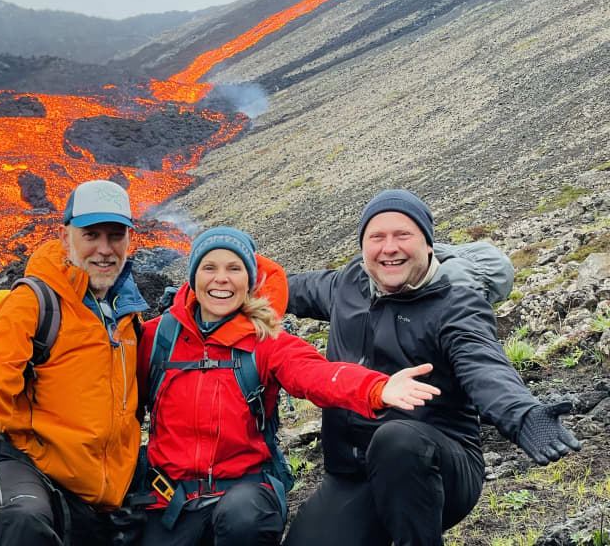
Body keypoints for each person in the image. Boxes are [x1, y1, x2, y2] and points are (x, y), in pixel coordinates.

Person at [283, 189, 582, 546]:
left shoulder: (455, 304)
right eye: (376, 237)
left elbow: (483, 365)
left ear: (427, 244)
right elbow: (285, 289)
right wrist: (220, 286)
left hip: (438, 465)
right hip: (351, 474)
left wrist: (522, 414)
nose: (389, 248)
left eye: (403, 235)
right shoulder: (347, 284)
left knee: (398, 440)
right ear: (363, 247)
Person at [136, 226, 442, 546]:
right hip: (168, 502)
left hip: (245, 496)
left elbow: (314, 374)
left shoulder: (265, 340)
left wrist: (376, 388)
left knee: (242, 519)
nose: (221, 279)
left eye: (234, 268)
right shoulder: (158, 338)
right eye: (209, 268)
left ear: (250, 280)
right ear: (193, 277)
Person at [0, 179, 149, 545]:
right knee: (21, 521)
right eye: (91, 235)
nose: (104, 249)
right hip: (27, 463)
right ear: (64, 236)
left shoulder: (129, 315)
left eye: (115, 236)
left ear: (129, 240)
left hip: (100, 484)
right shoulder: (34, 303)